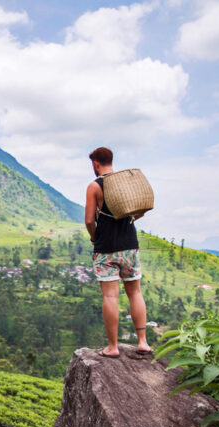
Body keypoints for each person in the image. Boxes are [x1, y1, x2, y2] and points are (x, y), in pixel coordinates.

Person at [84, 147, 152, 359]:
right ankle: (142, 342)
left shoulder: (95, 186)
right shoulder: (125, 182)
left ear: (95, 163)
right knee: (135, 292)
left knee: (110, 296)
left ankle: (113, 347)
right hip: (129, 245)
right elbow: (140, 209)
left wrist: (95, 237)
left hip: (106, 249)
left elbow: (88, 220)